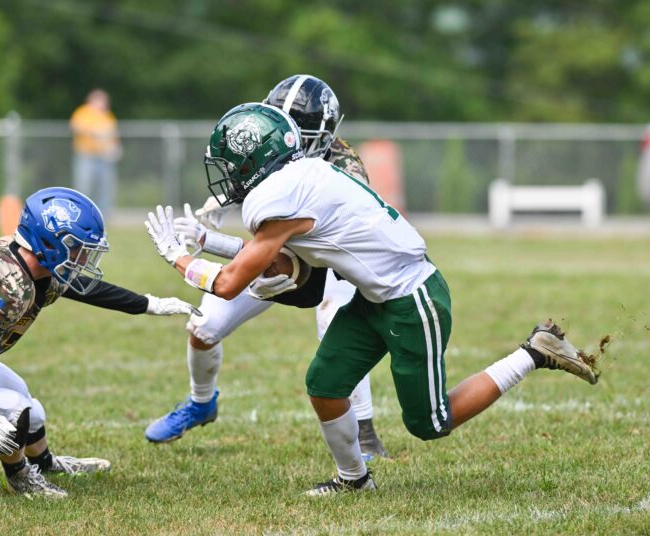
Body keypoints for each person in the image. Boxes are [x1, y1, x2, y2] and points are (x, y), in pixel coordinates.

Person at [145, 103, 600, 495]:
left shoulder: (277, 198)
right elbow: (281, 262)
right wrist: (208, 241)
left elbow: (229, 283)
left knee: (430, 423)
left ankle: (534, 352)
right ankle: (355, 479)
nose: (228, 174)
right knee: (325, 384)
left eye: (232, 164)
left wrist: (176, 257)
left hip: (411, 297)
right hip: (374, 296)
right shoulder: (301, 175)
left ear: (256, 161)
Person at [144, 75, 388, 460]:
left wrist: (208, 242)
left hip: (331, 258)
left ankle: (365, 430)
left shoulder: (343, 169)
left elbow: (292, 254)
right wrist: (220, 207)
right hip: (275, 252)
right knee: (204, 326)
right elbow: (269, 244)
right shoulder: (267, 140)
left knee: (334, 321)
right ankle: (201, 402)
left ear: (323, 137)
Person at [0, 187, 197, 498]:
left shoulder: (33, 261)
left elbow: (85, 288)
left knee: (32, 410)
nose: (83, 256)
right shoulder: (3, 282)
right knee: (15, 408)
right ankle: (19, 478)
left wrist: (149, 304)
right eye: (77, 247)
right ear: (49, 242)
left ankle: (43, 463)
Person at [70, 89, 122, 217]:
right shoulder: (83, 112)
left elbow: (113, 135)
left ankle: (103, 215)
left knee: (105, 188)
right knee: (84, 186)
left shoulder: (108, 115)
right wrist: (94, 132)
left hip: (104, 157)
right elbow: (75, 126)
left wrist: (116, 148)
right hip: (87, 156)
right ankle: (81, 213)